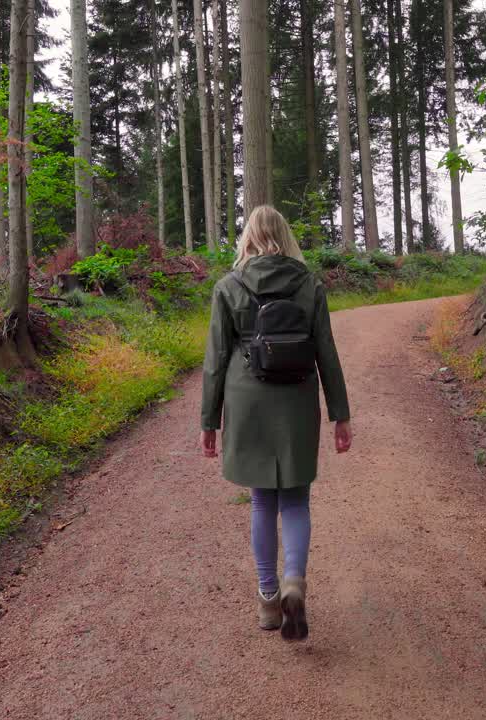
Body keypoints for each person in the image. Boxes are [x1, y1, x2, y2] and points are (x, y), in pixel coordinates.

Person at [200, 204, 352, 642]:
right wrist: (340, 414)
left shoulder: (229, 287)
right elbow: (327, 353)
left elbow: (214, 362)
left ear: (247, 238)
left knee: (262, 502)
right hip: (297, 400)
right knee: (296, 501)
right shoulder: (310, 286)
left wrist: (209, 420)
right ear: (286, 238)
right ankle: (293, 582)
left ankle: (268, 600)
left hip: (247, 403)